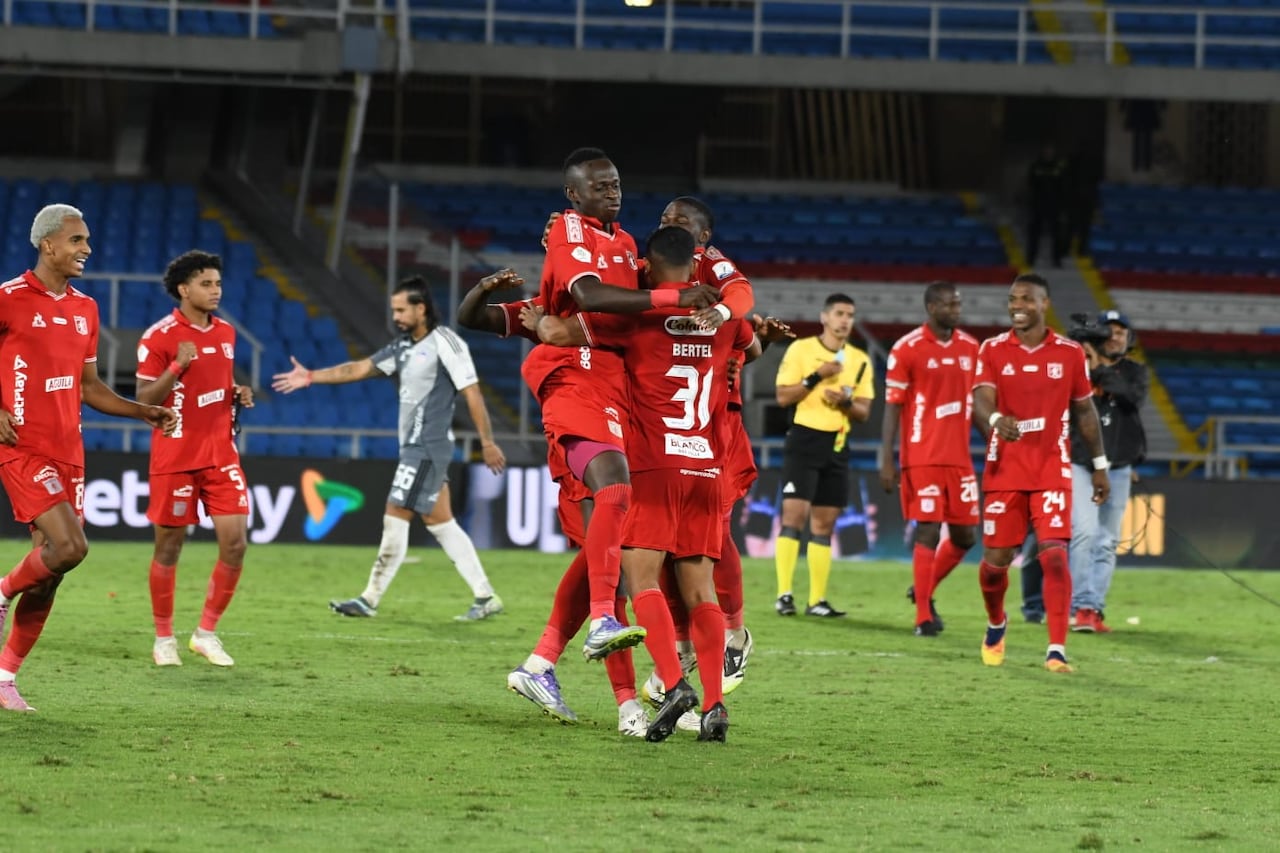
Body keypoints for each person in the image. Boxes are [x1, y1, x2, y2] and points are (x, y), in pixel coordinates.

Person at [536, 225, 760, 743]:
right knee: (701, 592)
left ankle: (674, 682)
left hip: (654, 467)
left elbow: (556, 333)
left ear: (650, 267)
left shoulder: (635, 319)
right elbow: (751, 339)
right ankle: (714, 704)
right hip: (706, 467)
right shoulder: (727, 322)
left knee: (642, 584)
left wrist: (538, 316)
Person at [521, 147, 714, 661]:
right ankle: (610, 625)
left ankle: (546, 663)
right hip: (578, 382)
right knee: (615, 501)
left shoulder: (628, 244)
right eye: (601, 185)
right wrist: (676, 301)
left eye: (616, 184)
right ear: (573, 193)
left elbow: (636, 300)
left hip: (622, 395)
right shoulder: (569, 231)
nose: (613, 192)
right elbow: (587, 295)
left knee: (609, 548)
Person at [457, 268, 649, 737]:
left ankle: (541, 664)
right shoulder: (542, 312)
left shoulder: (614, 305)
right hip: (584, 432)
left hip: (617, 429)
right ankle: (629, 707)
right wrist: (483, 289)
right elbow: (472, 319)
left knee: (599, 562)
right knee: (615, 572)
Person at [0, 204, 177, 711]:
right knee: (72, 547)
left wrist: (144, 410)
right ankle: (3, 588)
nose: (87, 250)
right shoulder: (8, 300)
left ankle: (5, 676)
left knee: (53, 568)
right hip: (22, 446)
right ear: (47, 245)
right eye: (77, 240)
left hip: (69, 452)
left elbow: (89, 387)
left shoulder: (85, 309)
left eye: (88, 241)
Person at [272, 276, 507, 622]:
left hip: (427, 445)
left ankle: (369, 598)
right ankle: (486, 596)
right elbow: (359, 368)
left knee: (395, 512)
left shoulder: (446, 342)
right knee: (440, 521)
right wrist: (311, 377)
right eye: (393, 309)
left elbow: (472, 392)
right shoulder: (402, 348)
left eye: (401, 309)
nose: (395, 315)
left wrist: (487, 442)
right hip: (414, 446)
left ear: (421, 308)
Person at [970, 273, 1110, 674]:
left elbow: (1084, 411)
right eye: (1012, 298)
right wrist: (996, 419)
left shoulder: (1067, 353)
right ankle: (997, 622)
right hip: (1005, 471)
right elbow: (980, 401)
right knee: (995, 566)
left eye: (1026, 299)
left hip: (1051, 469)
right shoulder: (992, 349)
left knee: (1054, 556)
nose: (1017, 305)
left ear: (1044, 304)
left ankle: (1056, 650)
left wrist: (1099, 466)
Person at [136, 250, 255, 667]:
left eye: (218, 283)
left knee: (235, 543)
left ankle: (205, 633)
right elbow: (144, 399)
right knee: (169, 548)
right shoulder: (159, 336)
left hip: (221, 454)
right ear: (184, 289)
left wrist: (237, 391)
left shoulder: (225, 333)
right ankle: (164, 638)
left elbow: (218, 380)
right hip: (176, 456)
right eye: (206, 283)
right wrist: (176, 368)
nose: (215, 290)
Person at [879, 282, 981, 637]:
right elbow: (892, 407)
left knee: (966, 536)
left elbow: (978, 404)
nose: (957, 309)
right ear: (932, 307)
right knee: (928, 529)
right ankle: (923, 615)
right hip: (922, 456)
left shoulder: (972, 348)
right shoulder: (907, 348)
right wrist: (886, 458)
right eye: (950, 304)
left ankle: (924, 589)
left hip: (960, 460)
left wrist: (997, 438)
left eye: (958, 303)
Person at [772, 293, 874, 618]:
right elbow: (783, 397)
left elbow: (864, 411)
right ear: (824, 317)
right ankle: (784, 594)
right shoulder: (801, 349)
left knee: (824, 523)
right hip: (804, 439)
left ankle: (816, 600)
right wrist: (818, 376)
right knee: (793, 518)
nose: (845, 320)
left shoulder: (860, 360)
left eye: (850, 314)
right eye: (840, 313)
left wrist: (843, 402)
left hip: (838, 444)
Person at [1069, 310, 1147, 633]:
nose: (1116, 337)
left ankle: (1092, 609)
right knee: (1084, 532)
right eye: (1110, 331)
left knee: (1106, 540)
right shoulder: (1076, 368)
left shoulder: (1134, 372)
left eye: (1122, 333)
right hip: (1080, 462)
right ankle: (1077, 606)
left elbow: (1132, 399)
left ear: (1130, 341)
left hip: (1118, 466)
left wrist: (1099, 369)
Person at [1025, 144, 1067, 267]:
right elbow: (1030, 185)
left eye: (1050, 150)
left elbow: (1063, 187)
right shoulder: (1036, 166)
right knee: (1034, 233)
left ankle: (1056, 259)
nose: (1048, 152)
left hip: (1054, 204)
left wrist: (1062, 204)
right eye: (1046, 150)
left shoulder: (1059, 166)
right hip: (1038, 204)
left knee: (1057, 233)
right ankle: (1031, 258)